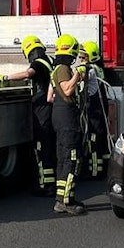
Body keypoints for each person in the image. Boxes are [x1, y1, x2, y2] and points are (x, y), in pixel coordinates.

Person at [0, 35, 55, 194]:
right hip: (49, 110)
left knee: (43, 149)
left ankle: (46, 186)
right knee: (49, 148)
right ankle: (50, 184)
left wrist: (5, 77)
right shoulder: (49, 60)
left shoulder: (38, 63)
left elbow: (28, 74)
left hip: (42, 112)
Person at [49, 33, 89, 214]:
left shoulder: (56, 68)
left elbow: (51, 96)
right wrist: (79, 73)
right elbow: (67, 88)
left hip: (60, 117)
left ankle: (63, 198)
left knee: (64, 159)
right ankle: (66, 202)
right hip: (67, 120)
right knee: (72, 159)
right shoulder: (63, 68)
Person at [80, 40, 111, 178]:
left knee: (94, 139)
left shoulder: (90, 70)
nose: (80, 59)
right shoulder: (99, 68)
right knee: (102, 138)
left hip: (94, 108)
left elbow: (78, 78)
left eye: (82, 57)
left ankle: (95, 170)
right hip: (100, 106)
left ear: (90, 57)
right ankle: (104, 168)